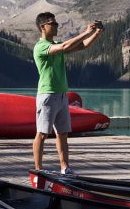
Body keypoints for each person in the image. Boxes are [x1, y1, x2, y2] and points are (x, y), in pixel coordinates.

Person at [32, 12, 103, 175]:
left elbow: (82, 46)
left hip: (62, 95)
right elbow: (64, 47)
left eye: (56, 23)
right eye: (53, 24)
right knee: (42, 133)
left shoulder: (55, 44)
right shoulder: (41, 47)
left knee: (63, 133)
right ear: (43, 27)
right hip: (47, 95)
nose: (57, 26)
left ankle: (65, 167)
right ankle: (38, 169)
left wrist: (97, 33)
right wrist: (86, 31)